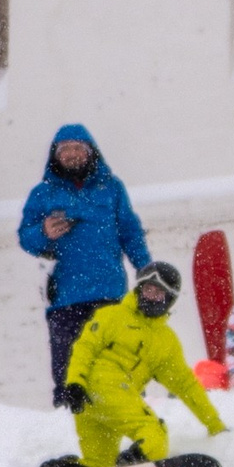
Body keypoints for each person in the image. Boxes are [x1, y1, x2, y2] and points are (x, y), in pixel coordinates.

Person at [18, 125, 152, 405]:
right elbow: (26, 238)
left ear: (91, 152)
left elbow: (130, 231)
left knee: (119, 362)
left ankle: (130, 416)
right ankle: (69, 422)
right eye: (65, 149)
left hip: (110, 293)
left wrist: (146, 269)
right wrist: (44, 232)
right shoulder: (43, 194)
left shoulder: (112, 188)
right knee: (68, 370)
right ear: (55, 156)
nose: (72, 155)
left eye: (78, 148)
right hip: (66, 298)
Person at [53, 263, 228, 467]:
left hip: (95, 404)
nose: (150, 297)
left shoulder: (164, 342)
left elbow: (185, 385)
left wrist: (213, 423)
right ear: (138, 289)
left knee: (100, 465)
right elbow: (84, 348)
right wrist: (75, 383)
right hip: (100, 389)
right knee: (154, 435)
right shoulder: (112, 316)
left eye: (158, 293)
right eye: (148, 289)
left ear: (169, 299)